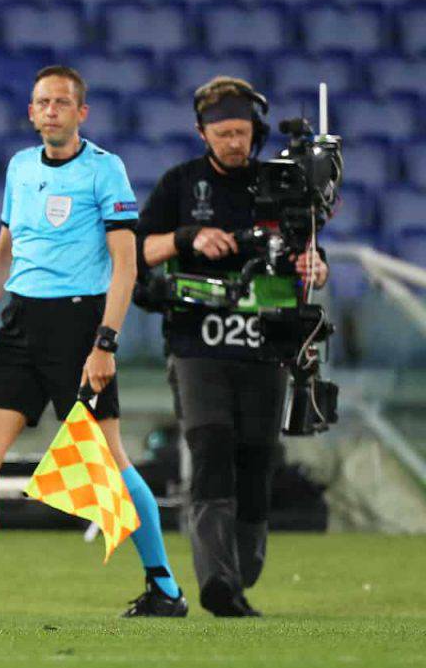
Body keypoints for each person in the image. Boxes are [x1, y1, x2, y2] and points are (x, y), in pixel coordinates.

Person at [0, 66, 188, 619]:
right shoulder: (20, 167)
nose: (50, 110)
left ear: (81, 113)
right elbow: (5, 247)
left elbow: (126, 265)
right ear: (31, 113)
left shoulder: (105, 170)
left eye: (61, 103)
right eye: (41, 102)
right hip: (20, 324)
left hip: (80, 328)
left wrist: (106, 343)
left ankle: (165, 587)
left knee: (108, 458)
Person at [135, 76, 328, 617]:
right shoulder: (179, 184)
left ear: (255, 131)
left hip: (265, 343)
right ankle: (219, 583)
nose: (233, 142)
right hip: (198, 341)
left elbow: (311, 252)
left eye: (241, 132)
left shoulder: (281, 185)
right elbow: (133, 249)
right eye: (222, 133)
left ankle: (239, 573)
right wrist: (185, 238)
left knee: (256, 459)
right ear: (202, 133)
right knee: (212, 450)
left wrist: (317, 266)